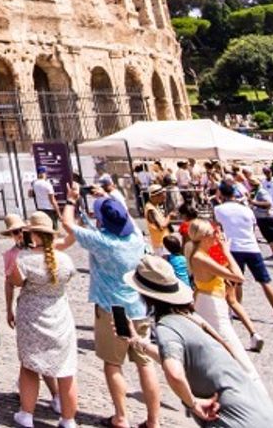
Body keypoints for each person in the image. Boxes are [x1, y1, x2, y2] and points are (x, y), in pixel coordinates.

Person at [124, 255, 273, 427]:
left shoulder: (167, 327)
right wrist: (139, 343)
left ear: (144, 294)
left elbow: (174, 372)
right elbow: (172, 356)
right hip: (266, 413)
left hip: (235, 420)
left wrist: (193, 404)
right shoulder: (192, 318)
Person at [57, 181, 160, 428]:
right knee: (146, 364)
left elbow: (67, 224)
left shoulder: (102, 242)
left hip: (113, 310)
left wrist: (71, 199)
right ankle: (154, 421)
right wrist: (107, 198)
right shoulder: (135, 237)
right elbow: (122, 220)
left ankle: (121, 417)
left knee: (113, 364)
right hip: (140, 306)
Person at [9, 212, 77, 428]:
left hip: (32, 317)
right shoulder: (65, 260)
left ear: (35, 235)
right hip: (59, 314)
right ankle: (68, 419)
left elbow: (17, 282)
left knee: (29, 366)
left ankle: (26, 414)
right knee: (66, 371)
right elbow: (69, 276)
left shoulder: (25, 259)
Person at [181, 220, 258, 374]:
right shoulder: (200, 257)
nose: (217, 235)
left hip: (209, 300)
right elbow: (239, 277)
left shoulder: (201, 253)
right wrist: (227, 251)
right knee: (230, 342)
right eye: (213, 233)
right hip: (210, 303)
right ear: (204, 237)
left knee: (217, 343)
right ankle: (250, 378)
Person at [212, 181, 273, 325]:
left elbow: (216, 227)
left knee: (235, 282)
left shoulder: (219, 209)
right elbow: (253, 228)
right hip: (252, 247)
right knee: (265, 282)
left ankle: (236, 309)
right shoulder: (247, 210)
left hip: (233, 248)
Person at [249, 188, 273, 260]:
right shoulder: (252, 192)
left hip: (270, 217)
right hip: (260, 217)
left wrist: (253, 202)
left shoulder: (262, 192)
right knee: (268, 237)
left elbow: (268, 203)